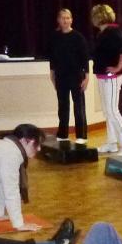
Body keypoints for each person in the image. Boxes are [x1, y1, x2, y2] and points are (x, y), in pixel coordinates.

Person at [89, 4, 122, 156]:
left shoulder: (113, 31)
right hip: (103, 76)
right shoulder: (103, 33)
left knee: (113, 111)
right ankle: (112, 143)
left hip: (112, 77)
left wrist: (118, 67)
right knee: (108, 111)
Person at [48, 8, 90, 143]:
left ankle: (81, 135)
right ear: (58, 20)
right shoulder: (54, 37)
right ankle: (63, 133)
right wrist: (52, 73)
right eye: (63, 18)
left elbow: (85, 59)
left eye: (68, 18)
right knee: (62, 105)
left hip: (76, 76)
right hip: (61, 76)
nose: (65, 20)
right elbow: (53, 58)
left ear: (71, 20)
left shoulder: (78, 37)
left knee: (79, 106)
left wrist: (87, 76)